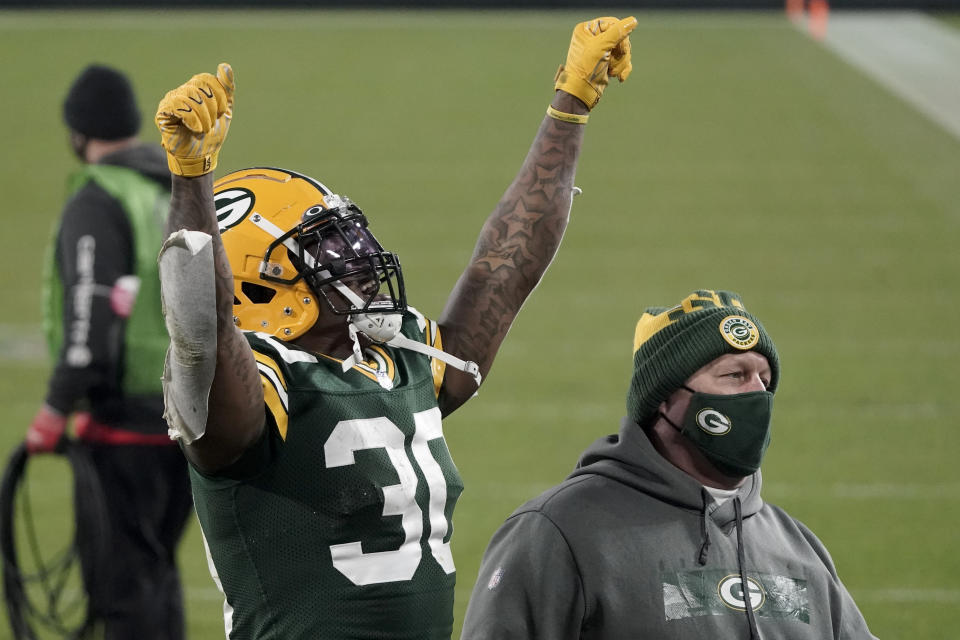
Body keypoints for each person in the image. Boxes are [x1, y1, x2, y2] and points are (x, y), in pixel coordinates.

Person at [152, 15, 637, 640]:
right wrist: (192, 177)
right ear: (258, 289)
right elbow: (203, 332)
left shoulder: (393, 355)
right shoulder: (258, 389)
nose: (356, 254)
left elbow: (504, 270)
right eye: (324, 246)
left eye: (347, 233)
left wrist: (569, 105)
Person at [461, 289, 878, 639]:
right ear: (664, 399)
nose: (758, 395)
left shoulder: (796, 549)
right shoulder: (560, 532)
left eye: (764, 379)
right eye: (734, 375)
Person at [24, 65, 193, 638]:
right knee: (158, 572)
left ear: (78, 132)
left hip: (125, 423)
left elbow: (89, 319)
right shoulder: (170, 189)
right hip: (189, 415)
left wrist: (55, 406)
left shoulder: (99, 200)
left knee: (122, 588)